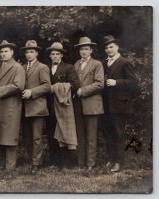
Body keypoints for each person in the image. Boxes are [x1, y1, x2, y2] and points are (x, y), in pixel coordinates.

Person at [102, 35, 138, 172]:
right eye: (106, 48)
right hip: (107, 104)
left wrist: (116, 82)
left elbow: (134, 83)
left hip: (120, 105)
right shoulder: (105, 63)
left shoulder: (124, 62)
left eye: (111, 47)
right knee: (108, 132)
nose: (109, 50)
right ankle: (110, 159)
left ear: (117, 47)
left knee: (118, 133)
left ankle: (118, 162)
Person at [46, 42, 80, 168]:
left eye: (57, 54)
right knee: (51, 132)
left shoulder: (69, 67)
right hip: (49, 104)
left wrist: (59, 87)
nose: (55, 56)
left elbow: (75, 84)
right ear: (50, 56)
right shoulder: (46, 68)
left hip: (63, 105)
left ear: (61, 56)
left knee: (64, 131)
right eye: (52, 54)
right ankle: (55, 162)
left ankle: (68, 163)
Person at [0, 40, 26, 171]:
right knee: (1, 135)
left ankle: (10, 166)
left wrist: (0, 90)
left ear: (12, 52)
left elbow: (19, 86)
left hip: (12, 105)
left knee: (10, 136)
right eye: (1, 52)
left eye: (6, 51)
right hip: (0, 105)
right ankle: (2, 164)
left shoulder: (18, 67)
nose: (3, 54)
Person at [74, 37, 104, 170]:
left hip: (92, 104)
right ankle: (81, 162)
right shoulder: (76, 64)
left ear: (91, 50)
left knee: (91, 135)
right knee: (80, 134)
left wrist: (82, 91)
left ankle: (90, 163)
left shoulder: (97, 64)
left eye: (86, 49)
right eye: (81, 49)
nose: (84, 51)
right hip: (78, 104)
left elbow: (99, 84)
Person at [20, 40, 51, 173]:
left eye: (31, 52)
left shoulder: (42, 67)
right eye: (27, 52)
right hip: (24, 107)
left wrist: (32, 92)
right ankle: (31, 159)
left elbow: (47, 86)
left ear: (37, 53)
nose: (29, 54)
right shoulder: (21, 67)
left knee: (37, 137)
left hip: (37, 107)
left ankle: (36, 163)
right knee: (27, 136)